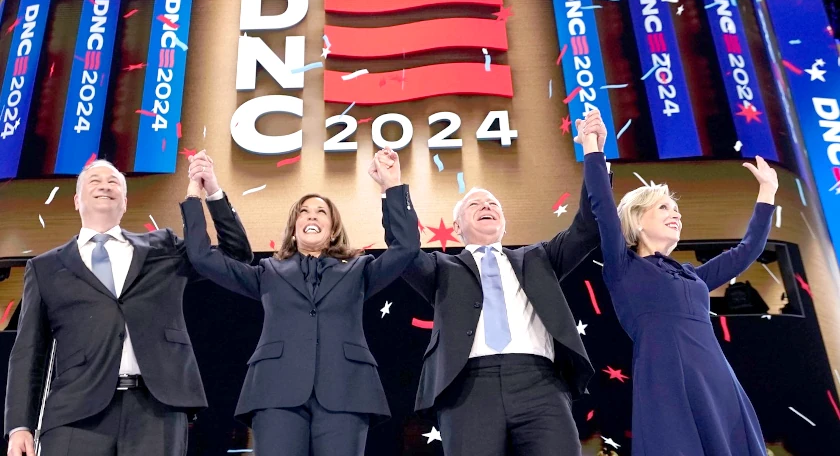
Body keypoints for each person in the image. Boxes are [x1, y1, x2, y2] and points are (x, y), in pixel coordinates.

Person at [377, 110, 611, 456]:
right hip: (468, 387)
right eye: (475, 204)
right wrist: (392, 188)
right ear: (457, 228)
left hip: (540, 383)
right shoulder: (442, 268)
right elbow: (405, 249)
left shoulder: (540, 258)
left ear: (503, 221)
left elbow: (589, 227)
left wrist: (593, 152)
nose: (486, 205)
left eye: (493, 204)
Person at [4, 156, 253, 456]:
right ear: (76, 200)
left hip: (156, 410)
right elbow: (29, 353)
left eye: (114, 183)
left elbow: (236, 255)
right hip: (75, 415)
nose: (105, 186)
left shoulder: (162, 248)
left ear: (124, 202)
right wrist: (20, 426)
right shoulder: (45, 268)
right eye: (94, 181)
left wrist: (210, 192)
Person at [180, 150, 419, 456]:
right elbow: (202, 257)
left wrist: (391, 186)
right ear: (294, 228)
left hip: (346, 392)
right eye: (304, 212)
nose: (311, 216)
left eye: (321, 212)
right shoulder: (267, 273)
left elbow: (407, 247)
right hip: (275, 392)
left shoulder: (360, 270)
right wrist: (200, 192)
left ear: (332, 229)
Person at [575, 115, 778, 455]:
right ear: (637, 222)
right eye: (663, 207)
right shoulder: (623, 266)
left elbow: (747, 251)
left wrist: (768, 192)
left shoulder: (692, 276)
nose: (676, 214)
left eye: (676, 209)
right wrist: (594, 148)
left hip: (717, 377)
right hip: (666, 376)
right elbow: (603, 209)